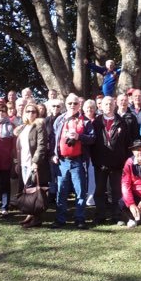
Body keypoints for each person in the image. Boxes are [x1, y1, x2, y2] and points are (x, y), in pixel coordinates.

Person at [51, 93, 95, 229]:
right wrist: (54, 153)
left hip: (78, 161)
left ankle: (80, 219)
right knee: (61, 191)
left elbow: (93, 138)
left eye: (75, 103)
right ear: (66, 104)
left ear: (79, 105)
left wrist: (79, 136)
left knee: (80, 191)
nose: (72, 106)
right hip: (62, 161)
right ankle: (60, 219)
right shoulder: (59, 119)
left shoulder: (85, 121)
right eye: (69, 103)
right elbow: (53, 138)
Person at [92, 96, 129, 224]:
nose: (108, 106)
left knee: (116, 191)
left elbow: (126, 142)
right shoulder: (96, 122)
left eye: (111, 104)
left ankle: (117, 216)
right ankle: (100, 215)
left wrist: (124, 159)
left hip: (117, 162)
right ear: (101, 106)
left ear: (115, 105)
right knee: (100, 190)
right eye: (106, 104)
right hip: (100, 162)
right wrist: (95, 159)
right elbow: (92, 142)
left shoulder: (121, 121)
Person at [15, 103, 49, 228]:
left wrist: (35, 161)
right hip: (23, 162)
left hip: (33, 163)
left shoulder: (39, 125)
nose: (31, 113)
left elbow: (42, 145)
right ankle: (30, 214)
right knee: (28, 190)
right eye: (28, 111)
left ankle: (37, 219)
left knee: (35, 189)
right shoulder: (24, 127)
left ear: (37, 113)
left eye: (33, 111)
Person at [82, 99, 97, 206]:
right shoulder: (80, 120)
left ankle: (91, 198)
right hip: (83, 152)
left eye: (91, 108)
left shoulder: (98, 120)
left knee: (92, 176)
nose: (89, 109)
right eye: (87, 107)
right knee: (83, 176)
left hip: (96, 152)